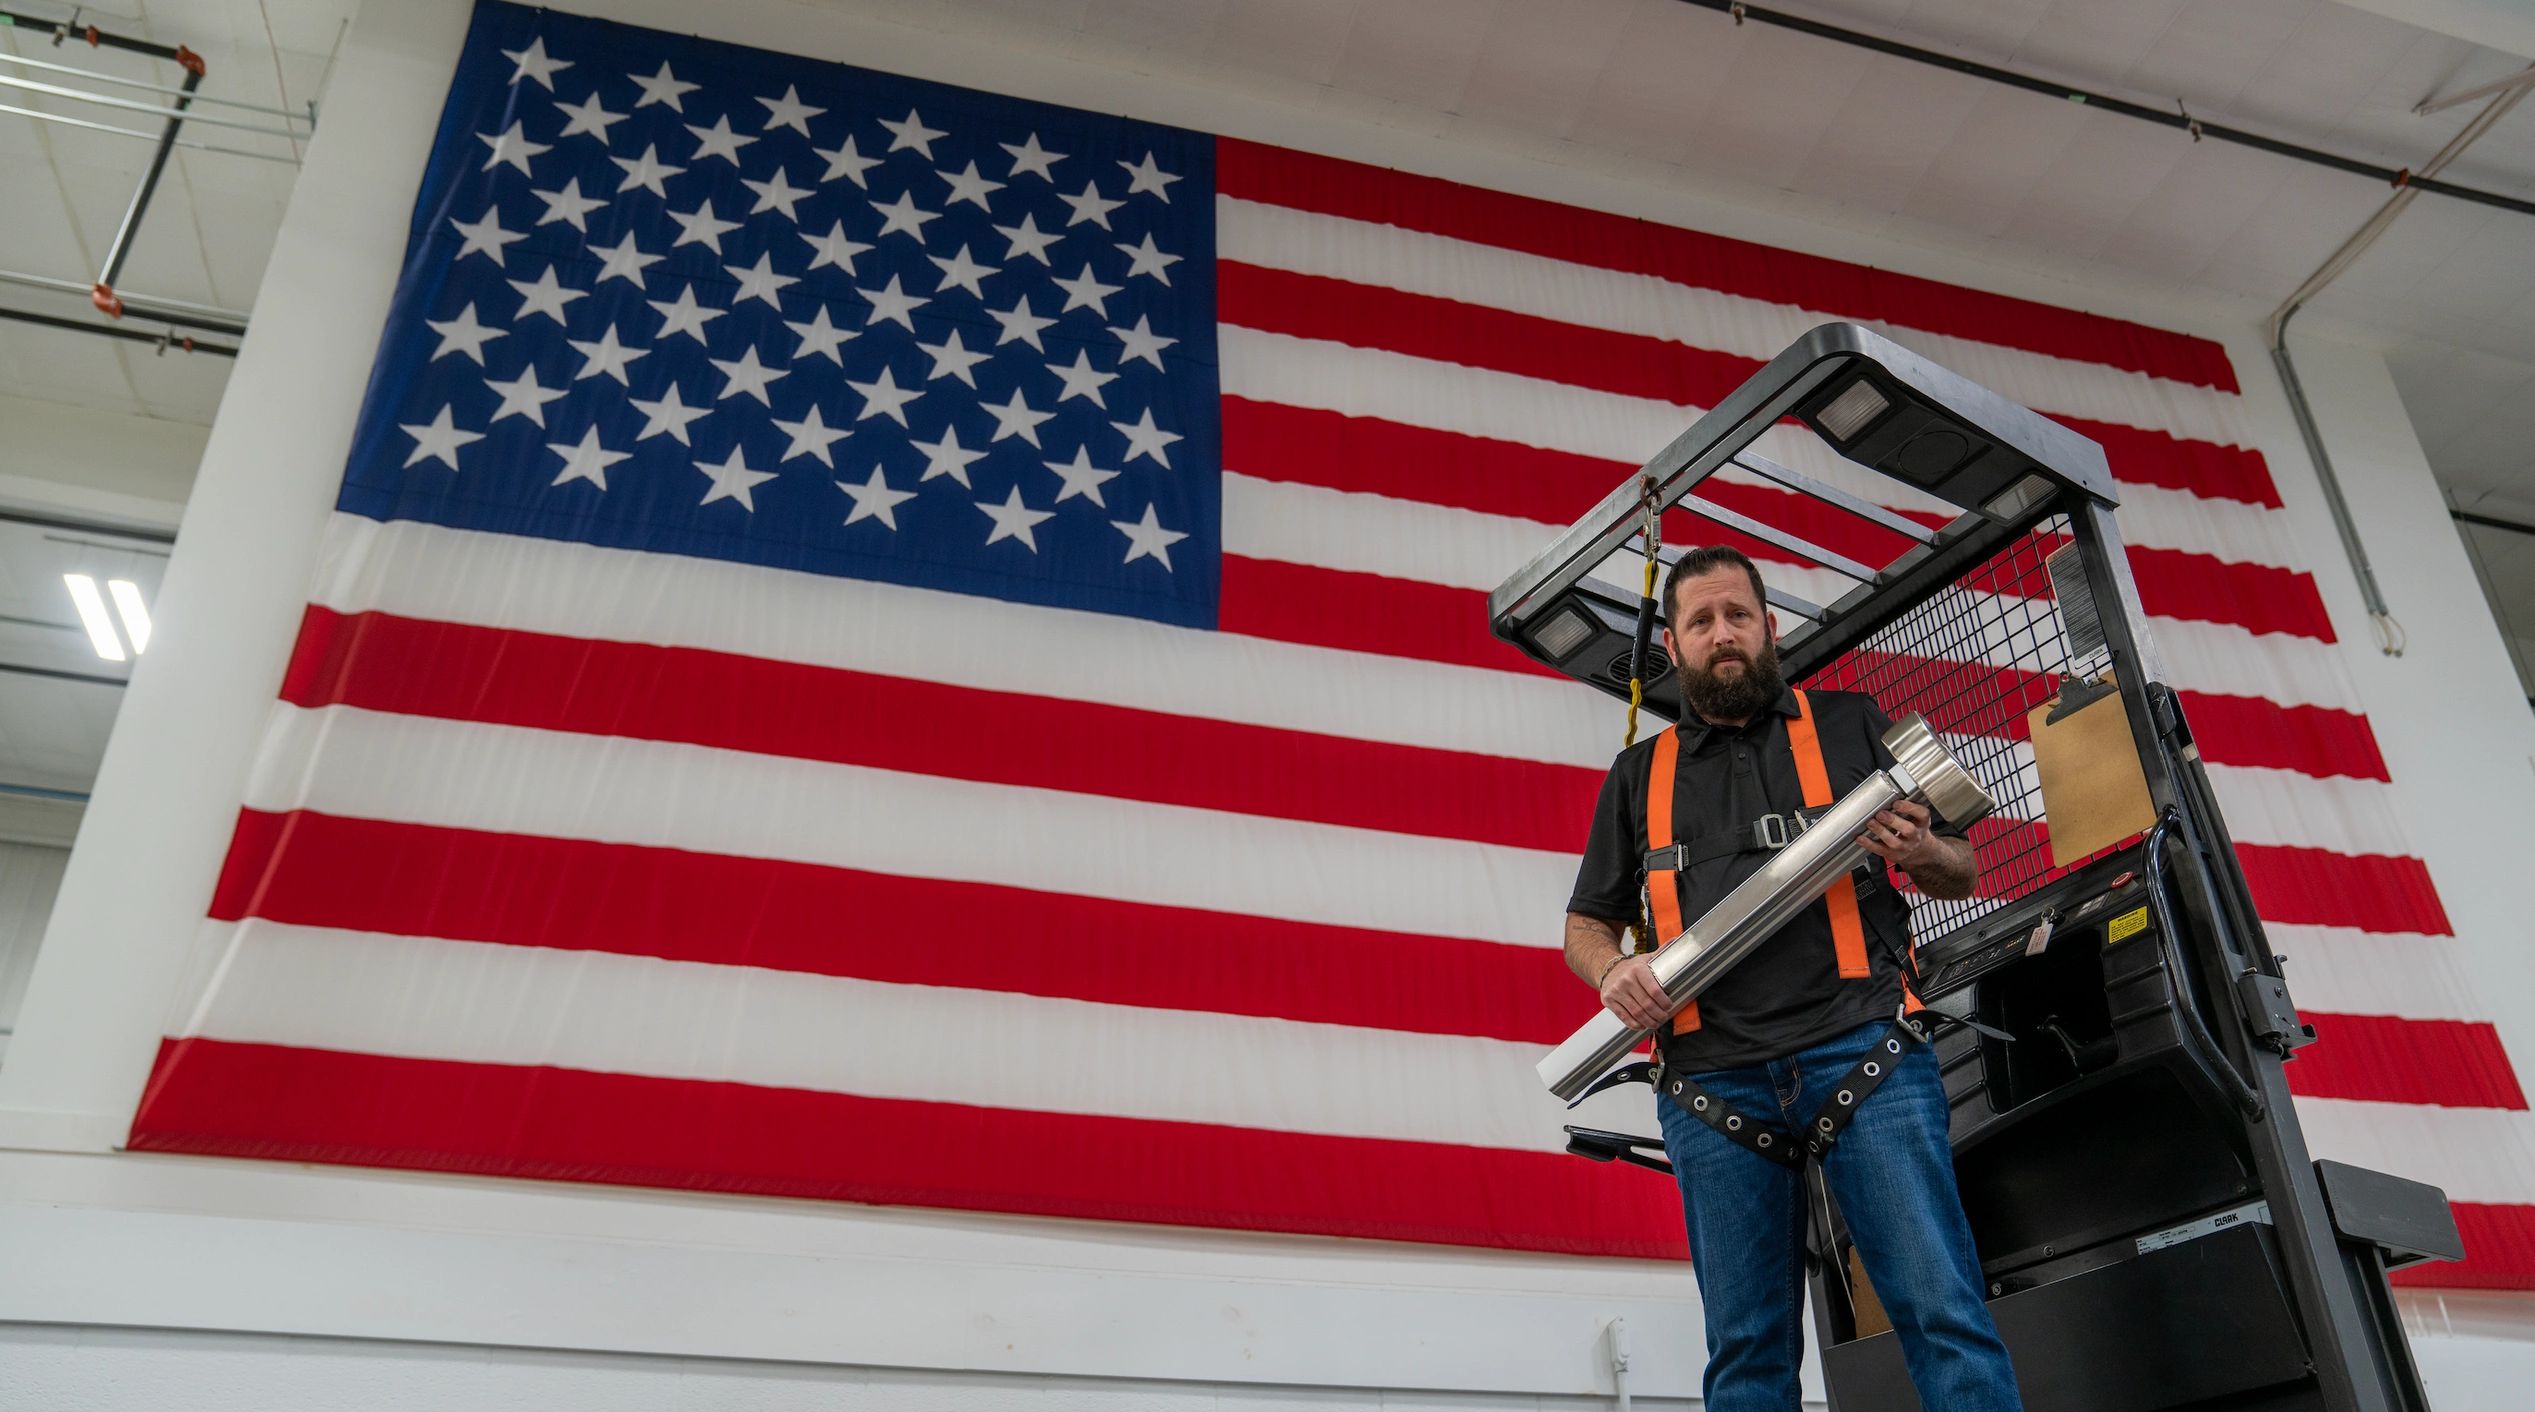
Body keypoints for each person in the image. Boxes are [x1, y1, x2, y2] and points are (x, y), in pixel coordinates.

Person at [1564, 544, 2023, 1412]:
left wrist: (1923, 850)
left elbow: (1961, 865)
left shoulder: (1854, 725)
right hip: (1712, 1084)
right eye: (1700, 621)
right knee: (1746, 1356)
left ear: (1769, 628)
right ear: (1671, 645)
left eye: (1737, 615)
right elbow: (1585, 925)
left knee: (1942, 1312)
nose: (1722, 633)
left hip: (1865, 1053)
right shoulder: (1638, 777)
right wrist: (1612, 968)